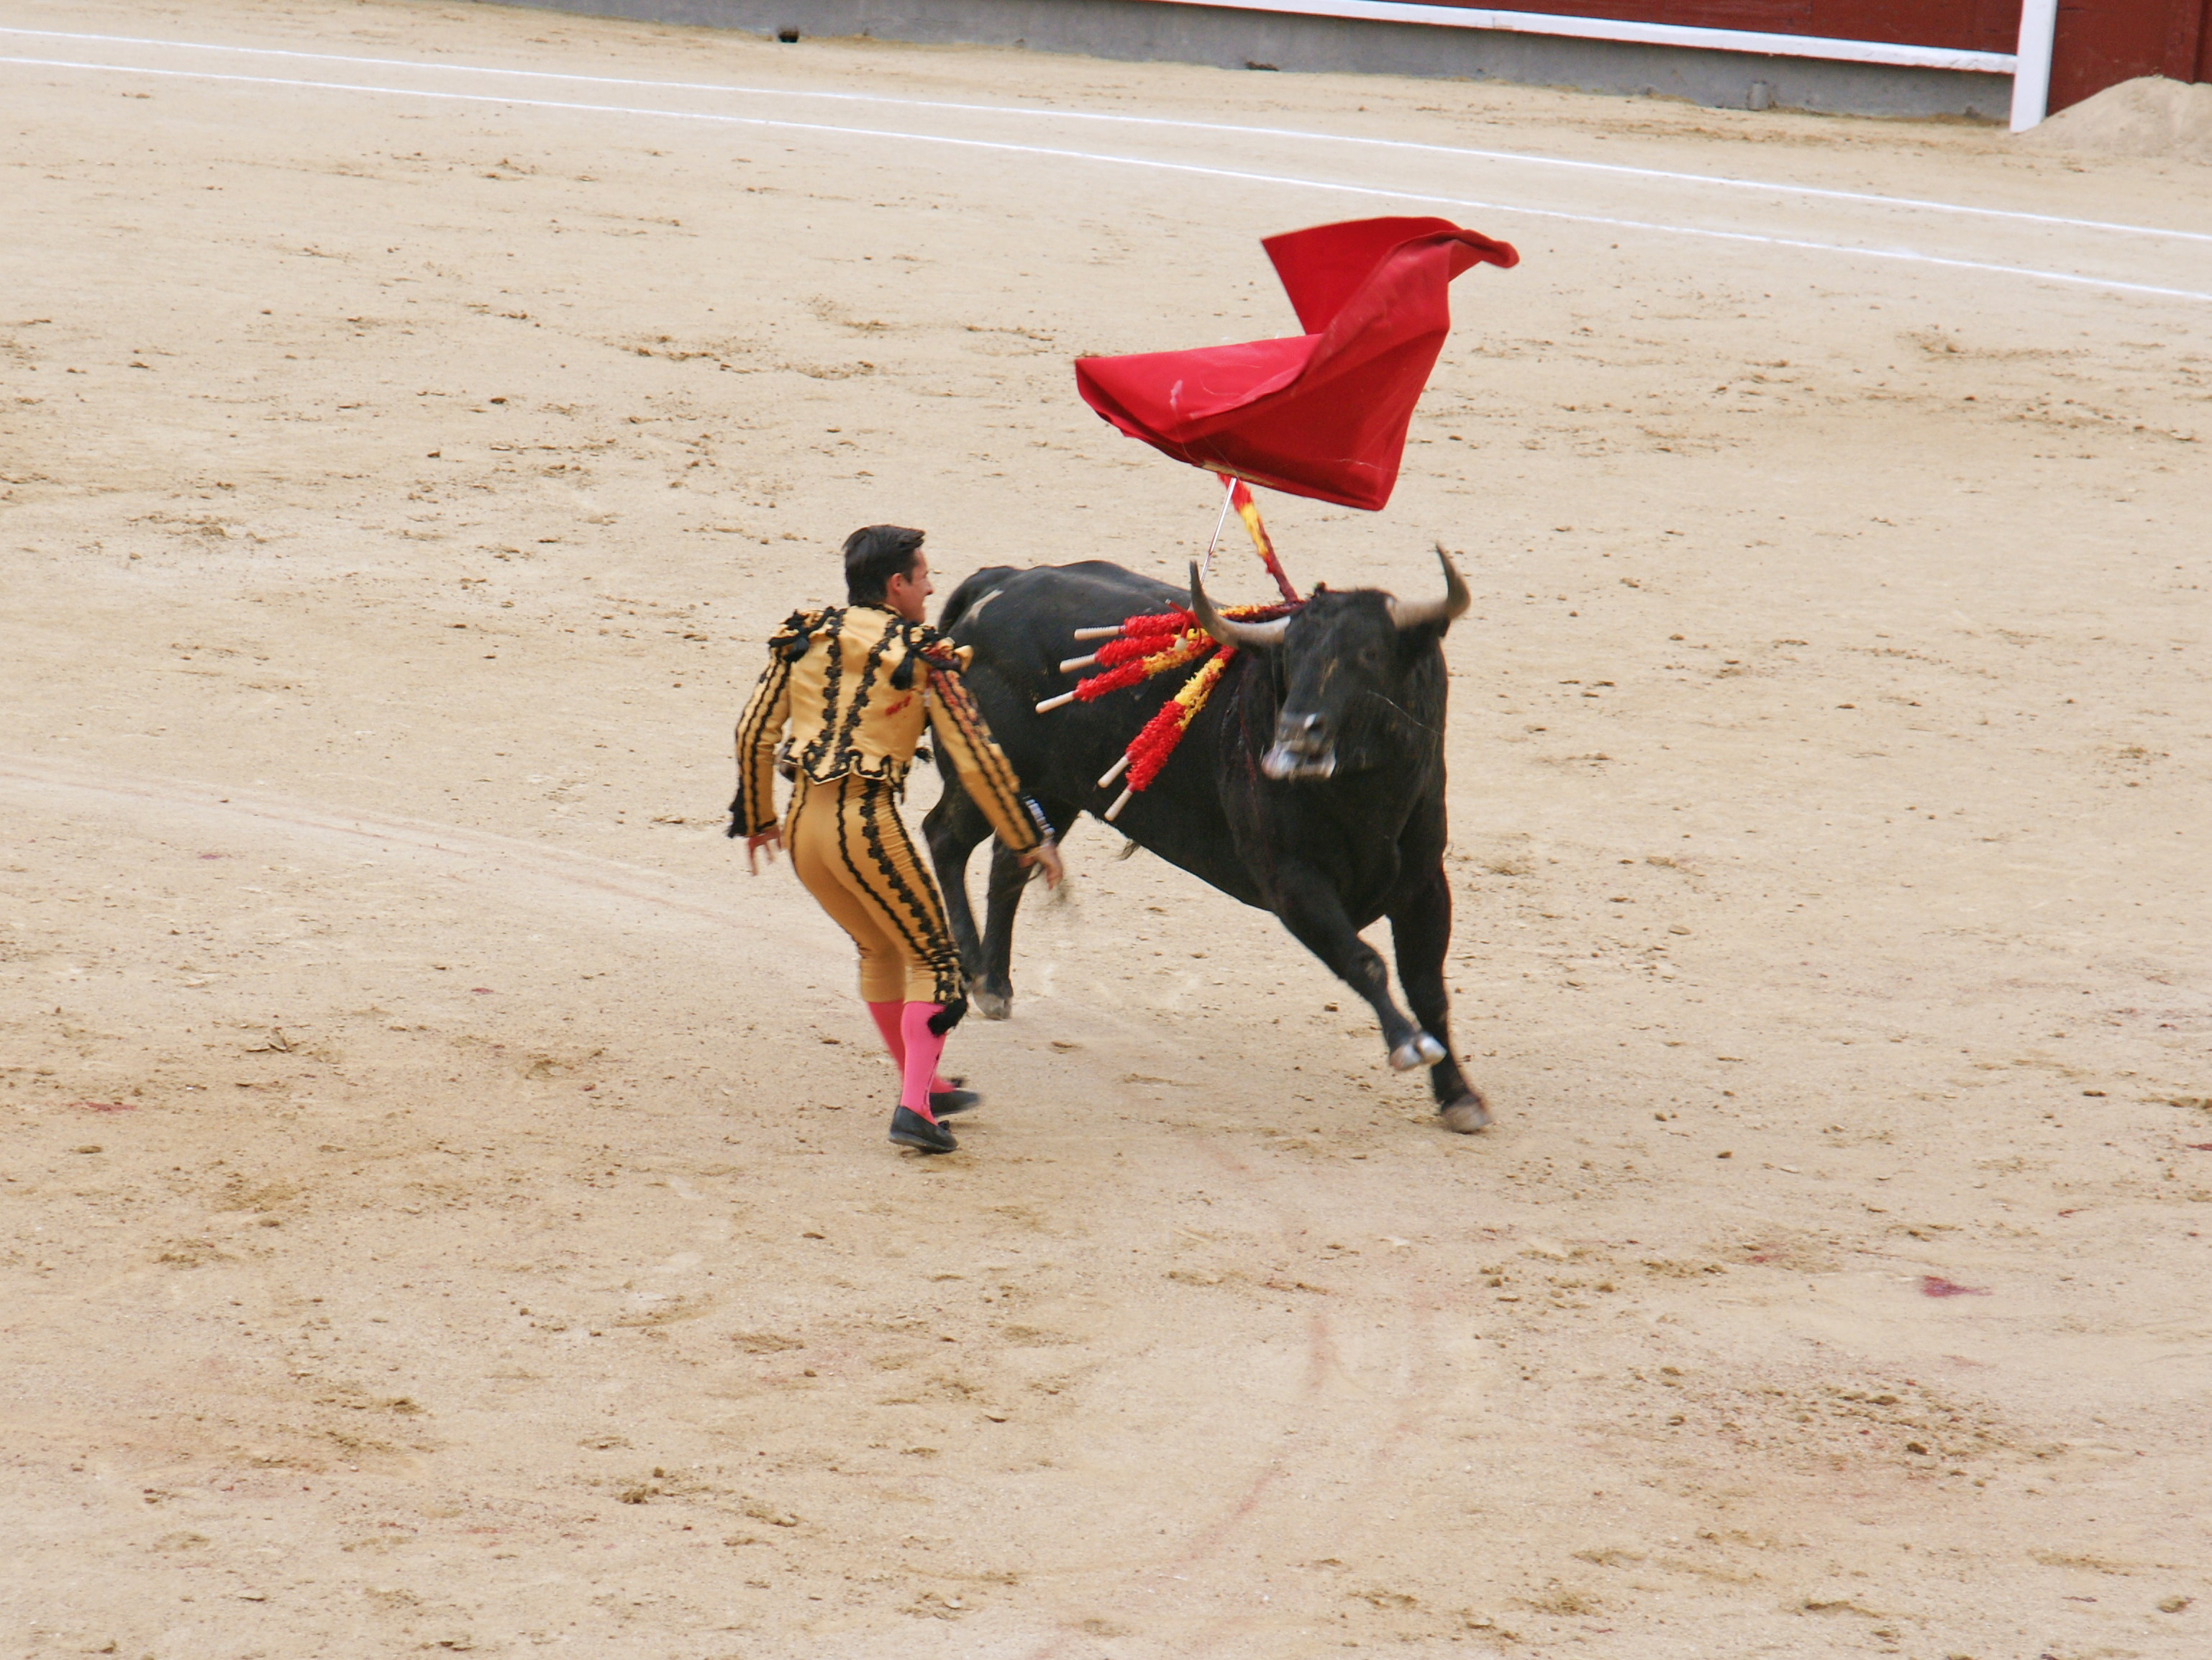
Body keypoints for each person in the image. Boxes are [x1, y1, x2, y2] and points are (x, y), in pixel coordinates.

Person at [729, 525, 1063, 1154]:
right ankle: (914, 1108)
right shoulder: (924, 656)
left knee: (880, 949)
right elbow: (975, 757)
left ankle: (925, 1085)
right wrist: (1026, 835)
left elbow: (753, 732)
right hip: (864, 824)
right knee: (937, 963)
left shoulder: (807, 635)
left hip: (802, 828)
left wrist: (757, 815)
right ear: (896, 585)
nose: (931, 588)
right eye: (923, 576)